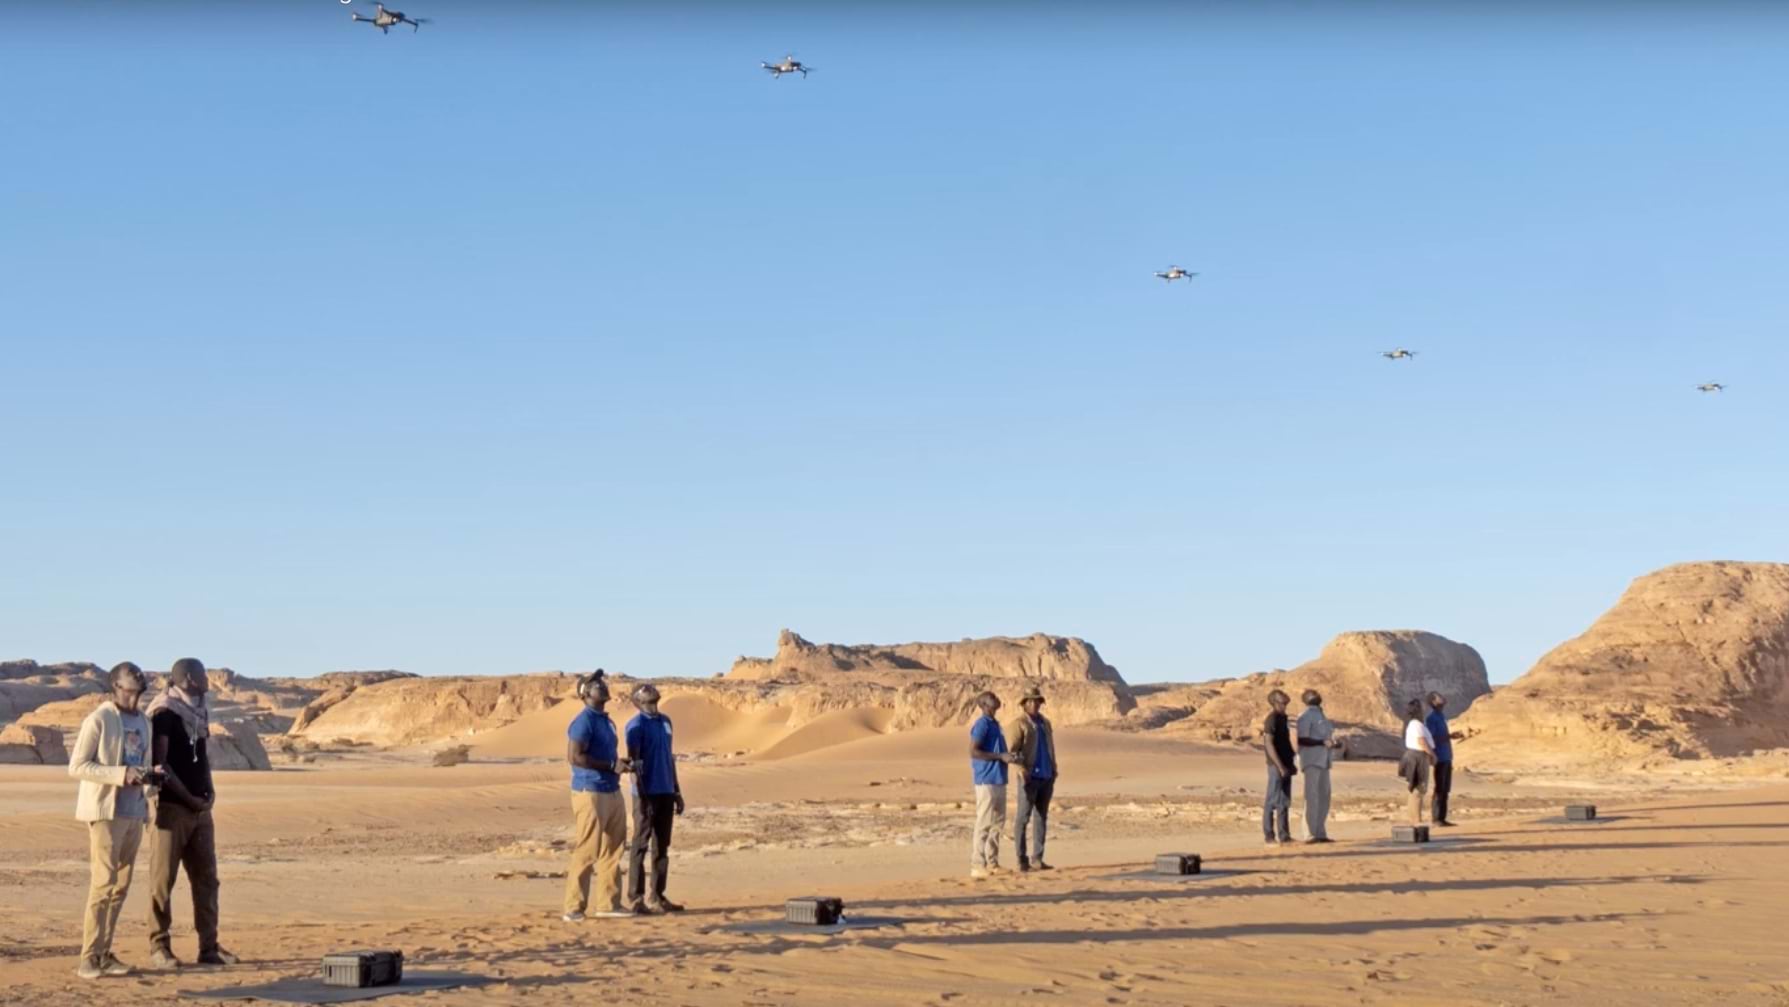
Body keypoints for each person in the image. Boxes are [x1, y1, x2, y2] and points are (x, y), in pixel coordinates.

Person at [146, 657, 237, 969]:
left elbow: (202, 756)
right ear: (187, 678)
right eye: (202, 675)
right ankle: (159, 946)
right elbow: (161, 764)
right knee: (162, 881)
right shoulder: (165, 712)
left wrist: (209, 792)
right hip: (171, 809)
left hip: (200, 811)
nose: (208, 681)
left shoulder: (198, 711)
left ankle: (209, 947)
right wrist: (188, 798)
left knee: (207, 880)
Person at [69, 662, 155, 979]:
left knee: (120, 888)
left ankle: (104, 953)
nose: (138, 675)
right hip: (106, 812)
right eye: (131, 674)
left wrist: (151, 780)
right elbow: (78, 766)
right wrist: (120, 774)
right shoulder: (99, 719)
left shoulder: (144, 722)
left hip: (134, 813)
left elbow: (143, 763)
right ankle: (88, 958)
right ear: (116, 685)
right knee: (103, 885)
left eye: (139, 673)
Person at [563, 670, 635, 922]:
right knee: (588, 849)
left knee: (613, 848)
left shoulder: (605, 720)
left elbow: (604, 756)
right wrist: (610, 766)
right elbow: (575, 757)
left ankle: (608, 903)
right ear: (585, 694)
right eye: (595, 684)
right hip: (590, 791)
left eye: (602, 682)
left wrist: (620, 763)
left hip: (611, 789)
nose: (602, 686)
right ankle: (573, 907)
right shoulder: (583, 721)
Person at [624, 683, 685, 914]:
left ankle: (657, 895)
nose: (654, 705)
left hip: (666, 790)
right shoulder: (635, 726)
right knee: (640, 844)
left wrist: (676, 791)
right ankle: (636, 898)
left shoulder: (666, 722)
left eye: (656, 700)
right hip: (645, 794)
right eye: (649, 702)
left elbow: (669, 758)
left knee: (662, 846)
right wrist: (643, 796)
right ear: (639, 703)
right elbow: (634, 765)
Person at [1004, 685, 1057, 872]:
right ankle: (1021, 859)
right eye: (1031, 701)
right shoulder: (1019, 724)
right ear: (1025, 703)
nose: (1034, 704)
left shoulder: (1045, 723)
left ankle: (1038, 858)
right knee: (1023, 818)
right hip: (1029, 777)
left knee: (1041, 817)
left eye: (1037, 701)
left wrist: (1054, 769)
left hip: (1046, 776)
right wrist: (1021, 769)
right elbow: (1011, 752)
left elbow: (1050, 747)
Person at [967, 691, 1018, 879]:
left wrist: (1009, 757)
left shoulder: (995, 724)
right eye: (991, 697)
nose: (996, 698)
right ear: (984, 704)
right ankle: (977, 864)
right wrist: (999, 756)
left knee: (997, 823)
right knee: (984, 822)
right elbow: (973, 751)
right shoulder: (982, 724)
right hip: (986, 779)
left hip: (998, 779)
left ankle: (992, 862)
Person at [1294, 689, 1342, 843]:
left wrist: (1333, 744)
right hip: (1311, 760)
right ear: (1306, 699)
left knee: (1324, 796)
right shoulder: (1305, 716)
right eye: (1312, 695)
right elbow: (1302, 739)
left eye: (1317, 694)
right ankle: (1309, 833)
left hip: (1324, 761)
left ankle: (1320, 832)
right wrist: (1321, 742)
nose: (1317, 696)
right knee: (1311, 796)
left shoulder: (1322, 715)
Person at [1261, 689, 1297, 846]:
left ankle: (1284, 836)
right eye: (1283, 701)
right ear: (1275, 702)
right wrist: (1280, 766)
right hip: (1276, 766)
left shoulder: (1283, 718)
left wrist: (1291, 763)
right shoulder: (1272, 719)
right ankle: (1269, 836)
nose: (1285, 704)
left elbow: (1286, 742)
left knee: (1284, 801)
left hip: (1286, 764)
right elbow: (1269, 744)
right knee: (1271, 801)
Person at [1399, 698, 1436, 825]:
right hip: (1418, 757)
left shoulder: (1416, 724)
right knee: (1419, 789)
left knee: (1416, 788)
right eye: (1421, 707)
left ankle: (1414, 819)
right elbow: (1422, 742)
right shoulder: (1416, 724)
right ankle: (1416, 820)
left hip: (1416, 756)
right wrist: (1432, 755)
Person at [1425, 692, 1456, 827]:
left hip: (1447, 756)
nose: (1442, 700)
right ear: (1433, 702)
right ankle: (1436, 817)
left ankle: (1442, 817)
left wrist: (1450, 736)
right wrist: (1448, 737)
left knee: (1446, 789)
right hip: (1440, 757)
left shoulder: (1441, 716)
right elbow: (1431, 738)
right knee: (1439, 788)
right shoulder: (1431, 719)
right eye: (1439, 698)